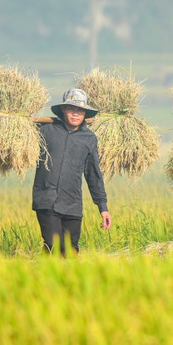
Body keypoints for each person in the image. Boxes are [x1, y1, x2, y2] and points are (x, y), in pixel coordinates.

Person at [32, 88, 112, 256]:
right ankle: (46, 277)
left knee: (71, 251)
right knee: (53, 246)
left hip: (72, 203)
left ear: (85, 113)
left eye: (80, 110)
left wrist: (102, 207)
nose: (76, 113)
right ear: (63, 110)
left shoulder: (89, 138)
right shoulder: (45, 131)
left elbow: (93, 175)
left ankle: (66, 280)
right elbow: (21, 140)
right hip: (47, 199)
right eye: (71, 109)